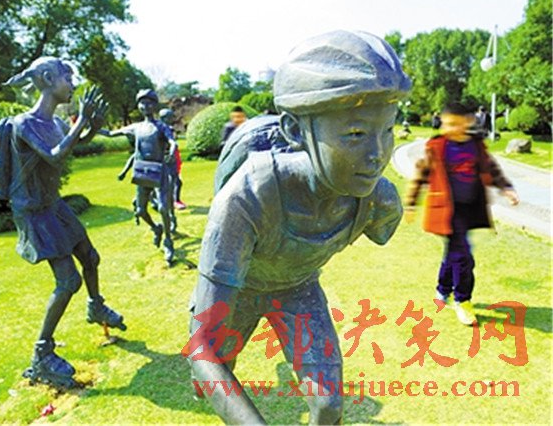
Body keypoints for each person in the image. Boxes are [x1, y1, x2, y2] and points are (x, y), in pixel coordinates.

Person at [184, 31, 411, 424]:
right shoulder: (247, 198)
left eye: (387, 130)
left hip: (298, 290)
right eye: (356, 134)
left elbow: (383, 230)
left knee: (328, 405)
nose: (377, 155)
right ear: (293, 130)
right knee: (211, 372)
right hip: (238, 291)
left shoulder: (376, 200)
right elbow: (202, 346)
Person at [0, 57, 126, 388]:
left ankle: (96, 307)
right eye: (68, 77)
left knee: (90, 257)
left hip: (53, 205)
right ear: (49, 79)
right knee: (68, 281)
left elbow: (75, 143)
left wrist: (89, 125)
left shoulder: (56, 122)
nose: (73, 84)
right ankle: (42, 355)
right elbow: (54, 155)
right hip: (34, 211)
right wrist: (81, 122)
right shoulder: (24, 124)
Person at [404, 102, 519, 325]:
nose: (451, 128)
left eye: (456, 124)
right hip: (447, 211)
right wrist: (410, 204)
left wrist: (506, 188)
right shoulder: (436, 146)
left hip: (471, 209)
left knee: (454, 253)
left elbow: (491, 168)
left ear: (468, 122)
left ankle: (442, 289)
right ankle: (462, 300)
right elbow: (421, 175)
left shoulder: (476, 146)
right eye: (447, 124)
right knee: (463, 256)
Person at [102, 90, 177, 265]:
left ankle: (168, 241)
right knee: (141, 211)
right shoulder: (136, 127)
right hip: (142, 171)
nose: (145, 106)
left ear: (155, 105)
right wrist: (88, 124)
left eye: (149, 103)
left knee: (163, 208)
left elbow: (172, 141)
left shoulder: (161, 127)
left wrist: (172, 149)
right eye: (142, 103)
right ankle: (156, 228)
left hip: (159, 171)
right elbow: (110, 134)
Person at [159, 108, 187, 211]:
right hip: (166, 158)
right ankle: (174, 201)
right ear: (164, 118)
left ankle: (173, 201)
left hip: (171, 158)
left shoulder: (167, 129)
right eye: (170, 117)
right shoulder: (162, 130)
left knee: (175, 181)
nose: (172, 119)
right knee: (173, 182)